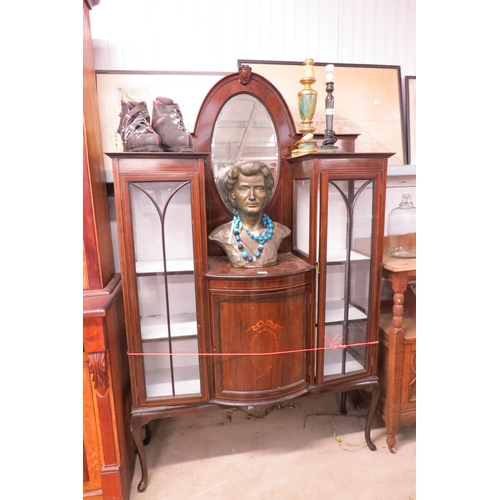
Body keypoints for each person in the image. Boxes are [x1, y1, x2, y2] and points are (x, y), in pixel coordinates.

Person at [209, 161, 290, 268]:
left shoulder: (280, 231)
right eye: (244, 189)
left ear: (268, 193)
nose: (252, 196)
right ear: (233, 194)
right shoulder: (222, 234)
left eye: (259, 188)